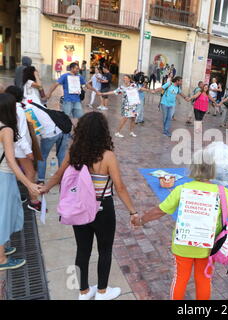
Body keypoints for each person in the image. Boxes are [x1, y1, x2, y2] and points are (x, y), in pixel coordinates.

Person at [131, 147, 228, 300]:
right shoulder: (222, 193)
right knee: (204, 280)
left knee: (180, 279)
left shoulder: (182, 189)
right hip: (207, 248)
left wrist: (140, 220)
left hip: (182, 246)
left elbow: (159, 211)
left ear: (193, 168)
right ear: (212, 170)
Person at [41, 112, 138, 300]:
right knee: (105, 250)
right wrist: (132, 211)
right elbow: (120, 187)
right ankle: (102, 291)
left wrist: (45, 188)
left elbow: (58, 175)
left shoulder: (74, 152)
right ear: (103, 132)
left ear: (82, 131)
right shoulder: (108, 156)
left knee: (82, 250)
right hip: (103, 209)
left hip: (80, 207)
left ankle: (84, 292)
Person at [0, 93, 41, 271]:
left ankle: (1, 248)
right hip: (4, 177)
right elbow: (10, 160)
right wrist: (28, 183)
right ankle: (1, 259)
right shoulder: (6, 130)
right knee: (3, 216)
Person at [5, 86, 42, 212]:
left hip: (11, 146)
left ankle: (19, 197)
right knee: (30, 173)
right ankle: (34, 201)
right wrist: (28, 151)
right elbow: (20, 133)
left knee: (14, 172)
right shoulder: (19, 110)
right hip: (20, 149)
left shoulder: (9, 108)